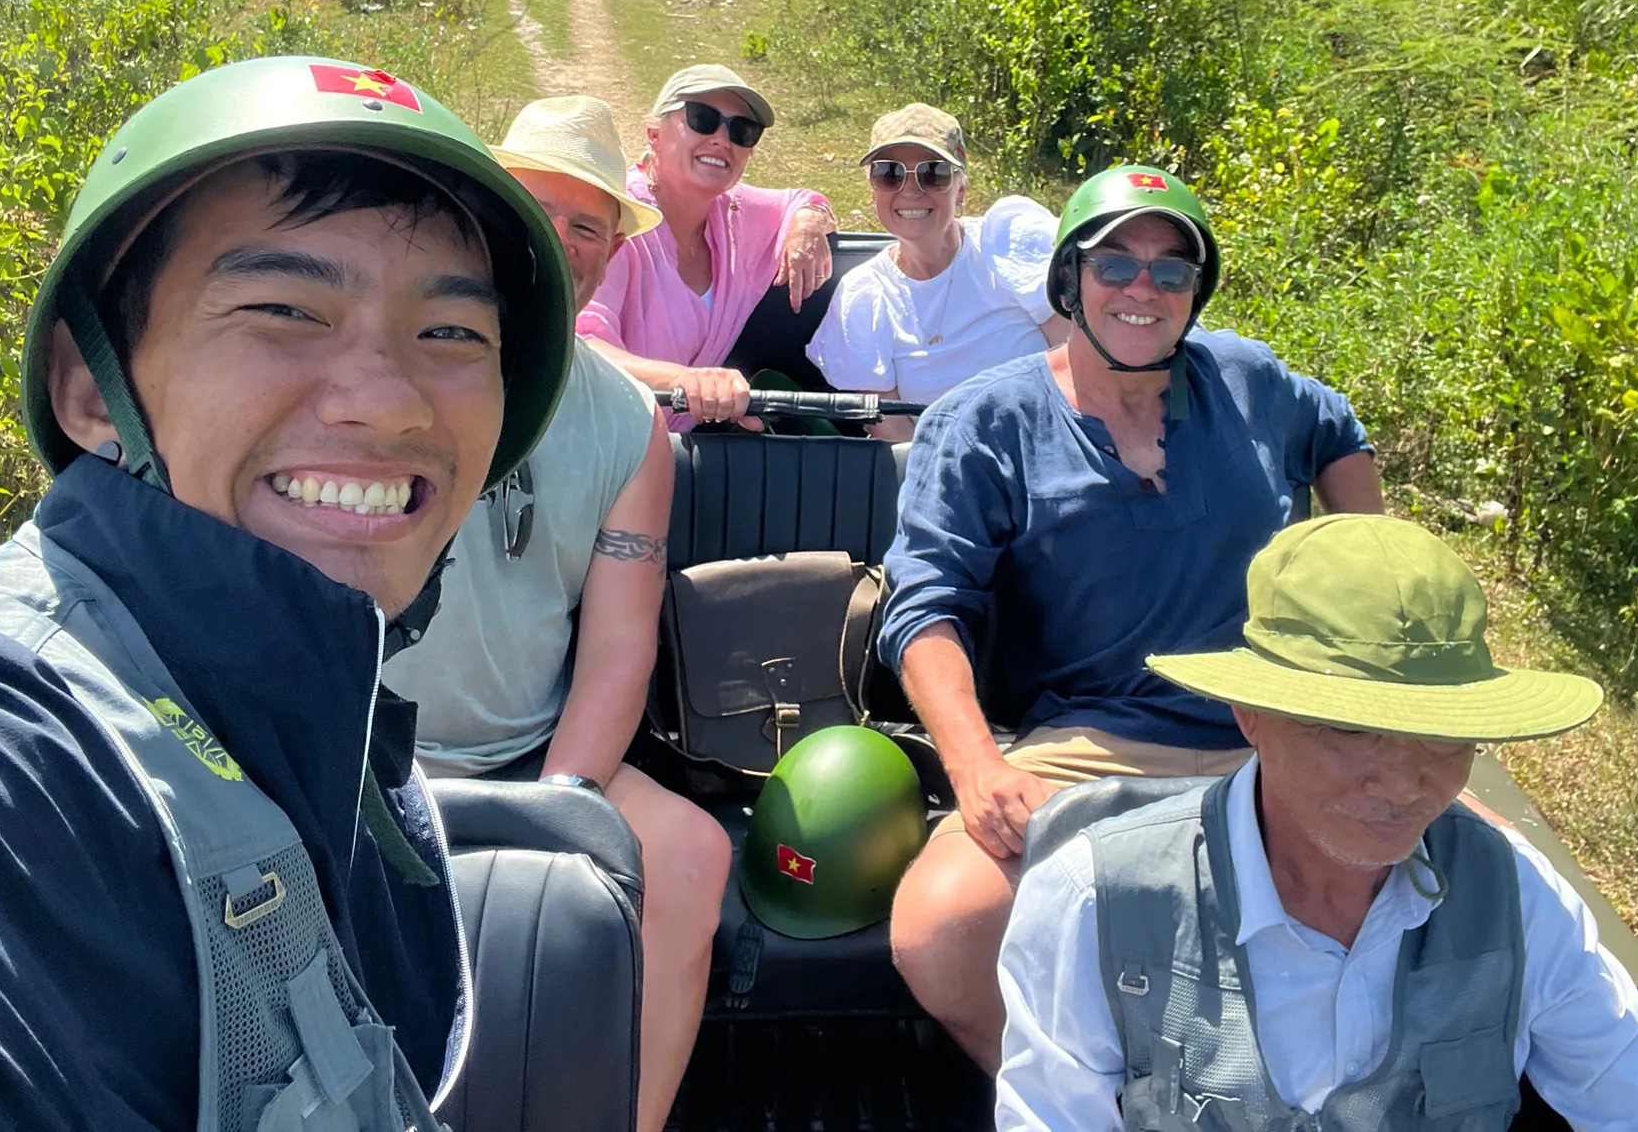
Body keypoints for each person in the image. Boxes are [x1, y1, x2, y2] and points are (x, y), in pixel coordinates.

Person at [0, 57, 575, 1130]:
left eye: (451, 332)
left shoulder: (309, 710)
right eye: (283, 307)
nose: (388, 402)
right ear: (88, 388)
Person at [880, 164, 1386, 1071]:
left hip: (1271, 730)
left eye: (1170, 270)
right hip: (1093, 742)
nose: (1141, 289)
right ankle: (1094, 1099)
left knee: (1478, 867)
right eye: (1114, 264)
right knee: (942, 926)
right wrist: (975, 765)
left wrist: (1363, 580)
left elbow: (1336, 431)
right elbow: (924, 608)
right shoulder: (984, 422)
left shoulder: (1245, 377)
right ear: (1069, 280)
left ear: (1197, 291)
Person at [997, 514, 1638, 1131]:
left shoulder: (1512, 897)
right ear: (1251, 714)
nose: (1402, 779)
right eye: (1348, 730)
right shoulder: (1098, 900)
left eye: (1444, 735)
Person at [383, 94, 730, 1132]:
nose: (554, 238)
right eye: (529, 206)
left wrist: (557, 803)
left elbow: (619, 644)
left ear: (612, 254)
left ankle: (634, 1115)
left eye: (585, 223)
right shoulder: (387, 363)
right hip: (365, 748)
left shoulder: (627, 424)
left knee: (689, 853)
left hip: (532, 746)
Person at [579, 64, 837, 431]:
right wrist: (685, 381)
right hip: (602, 444)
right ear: (654, 133)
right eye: (702, 119)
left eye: (741, 130)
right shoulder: (621, 218)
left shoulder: (736, 212)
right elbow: (583, 347)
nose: (722, 139)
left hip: (676, 454)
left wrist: (808, 223)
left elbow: (804, 199)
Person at [806, 104, 1068, 441]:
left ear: (960, 188)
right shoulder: (864, 295)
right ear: (873, 189)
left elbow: (1076, 360)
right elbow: (895, 433)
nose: (911, 190)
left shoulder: (1006, 244)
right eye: (889, 173)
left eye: (933, 172)